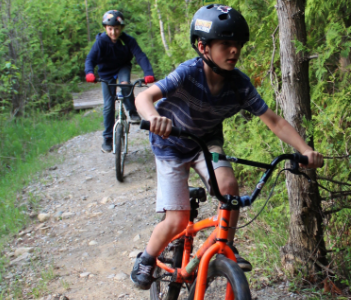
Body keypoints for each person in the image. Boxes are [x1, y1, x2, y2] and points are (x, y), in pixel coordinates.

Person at [128, 3, 324, 290]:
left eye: (238, 45)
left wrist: (305, 150)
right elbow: (144, 97)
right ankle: (146, 258)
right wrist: (154, 117)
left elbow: (274, 121)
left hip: (205, 142)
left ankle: (225, 247)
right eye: (225, 45)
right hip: (170, 143)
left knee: (229, 187)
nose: (234, 51)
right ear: (203, 47)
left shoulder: (239, 85)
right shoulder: (187, 73)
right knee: (178, 219)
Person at [84, 9, 156, 153]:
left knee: (125, 85)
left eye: (116, 29)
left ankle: (132, 111)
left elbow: (140, 56)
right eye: (110, 29)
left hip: (122, 67)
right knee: (108, 105)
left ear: (121, 28)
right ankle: (107, 138)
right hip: (106, 72)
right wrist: (89, 73)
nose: (113, 32)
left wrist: (148, 72)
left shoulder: (128, 40)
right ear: (105, 28)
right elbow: (90, 59)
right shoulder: (100, 42)